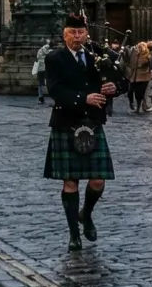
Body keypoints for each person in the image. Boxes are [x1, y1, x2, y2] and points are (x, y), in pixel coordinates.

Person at [44, 14, 116, 249]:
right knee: (70, 182)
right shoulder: (55, 58)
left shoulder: (97, 55)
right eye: (72, 33)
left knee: (97, 180)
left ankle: (86, 213)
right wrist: (83, 98)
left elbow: (119, 80)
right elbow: (54, 89)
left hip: (93, 124)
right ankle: (74, 235)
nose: (77, 37)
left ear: (87, 33)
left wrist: (114, 87)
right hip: (67, 122)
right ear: (64, 34)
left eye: (80, 32)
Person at [125, 40, 152, 114]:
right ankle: (132, 103)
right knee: (130, 91)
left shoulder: (148, 56)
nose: (139, 48)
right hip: (134, 76)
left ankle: (138, 107)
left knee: (139, 93)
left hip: (143, 77)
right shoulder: (136, 55)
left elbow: (148, 65)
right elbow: (130, 62)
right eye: (139, 47)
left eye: (141, 47)